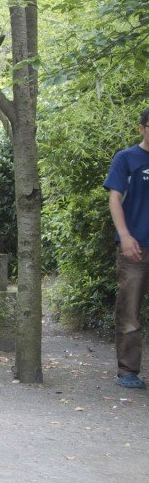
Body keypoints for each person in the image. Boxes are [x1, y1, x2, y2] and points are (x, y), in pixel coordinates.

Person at [104, 107, 149, 390]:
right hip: (135, 250)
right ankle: (128, 371)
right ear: (142, 127)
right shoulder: (127, 159)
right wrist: (125, 236)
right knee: (129, 310)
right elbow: (114, 198)